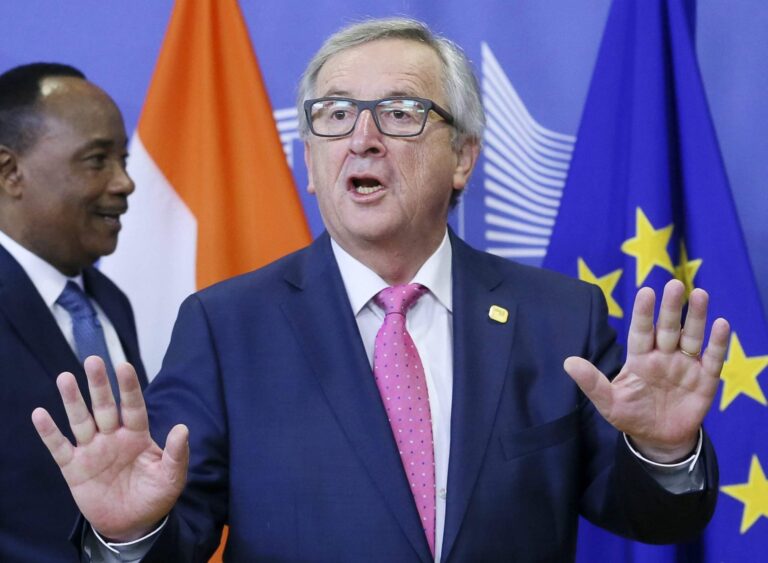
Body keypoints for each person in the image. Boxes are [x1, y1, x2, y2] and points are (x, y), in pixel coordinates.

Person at [33, 19, 729, 562]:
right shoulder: (227, 327)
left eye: (399, 112)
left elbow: (649, 517)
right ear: (311, 163)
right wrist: (131, 531)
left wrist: (665, 453)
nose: (361, 138)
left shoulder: (559, 317)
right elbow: (178, 533)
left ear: (463, 157)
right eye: (335, 114)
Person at [0, 63, 147, 561]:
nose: (125, 183)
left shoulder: (109, 302)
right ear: (10, 172)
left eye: (123, 159)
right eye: (97, 160)